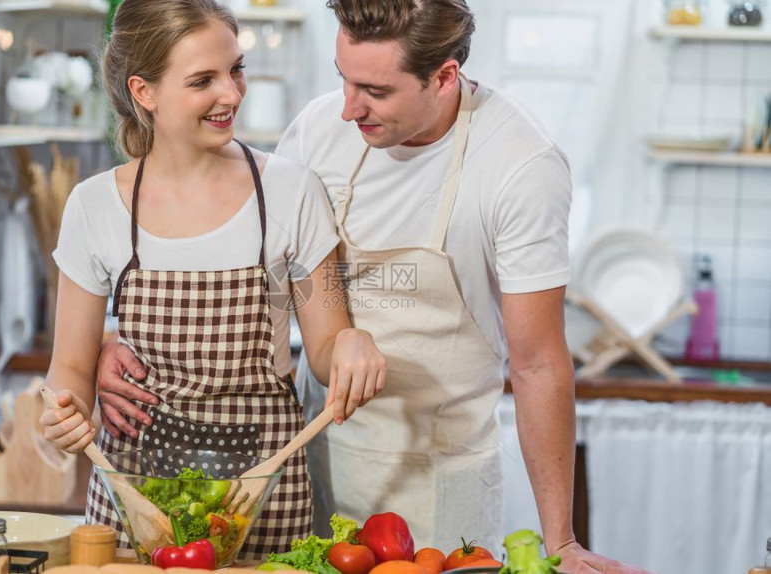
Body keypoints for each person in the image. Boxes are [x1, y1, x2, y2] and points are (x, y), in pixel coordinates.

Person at [94, 1, 649, 572]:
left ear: (444, 76)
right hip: (307, 469)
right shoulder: (317, 130)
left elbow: (538, 364)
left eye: (375, 91)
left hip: (436, 484)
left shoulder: (518, 164)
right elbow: (249, 274)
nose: (347, 109)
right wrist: (119, 338)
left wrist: (560, 541)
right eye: (343, 79)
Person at [39, 0, 386, 560]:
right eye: (203, 80)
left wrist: (353, 343)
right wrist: (64, 412)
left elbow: (326, 342)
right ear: (143, 92)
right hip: (137, 503)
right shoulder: (94, 206)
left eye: (236, 70)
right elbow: (71, 370)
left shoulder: (293, 191)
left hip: (264, 497)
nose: (231, 94)